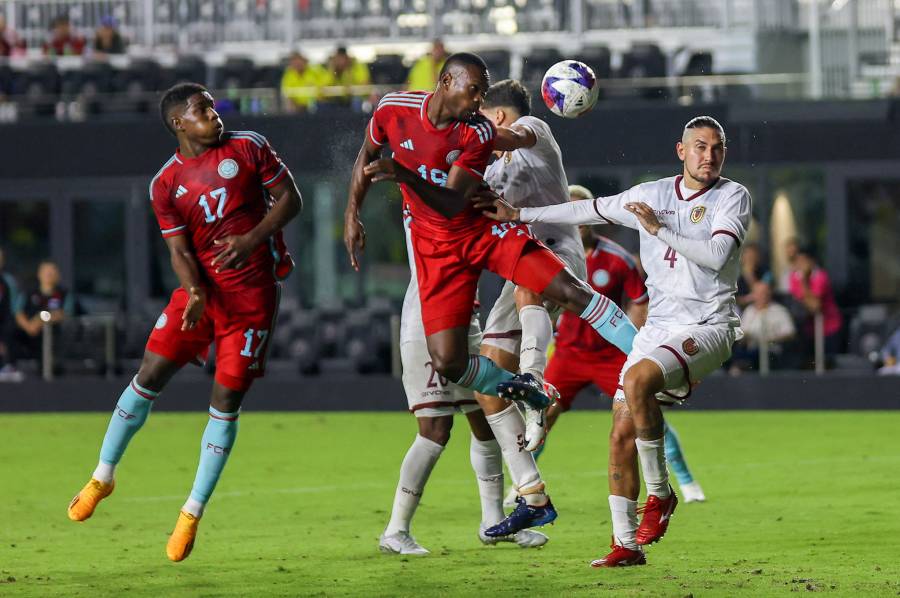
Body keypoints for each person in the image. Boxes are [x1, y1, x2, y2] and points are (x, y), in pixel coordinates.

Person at [344, 52, 638, 540]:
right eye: (472, 92)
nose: (477, 102)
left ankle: (588, 367)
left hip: (506, 235)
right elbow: (366, 155)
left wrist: (409, 174)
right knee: (462, 371)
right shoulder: (394, 109)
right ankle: (530, 486)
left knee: (558, 289)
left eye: (483, 97)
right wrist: (352, 214)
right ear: (444, 82)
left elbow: (454, 196)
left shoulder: (482, 133)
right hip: (440, 261)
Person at [480, 115, 750, 566]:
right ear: (680, 151)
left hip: (708, 323)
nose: (709, 156)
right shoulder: (651, 194)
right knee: (620, 432)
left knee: (640, 380)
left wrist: (659, 229)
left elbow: (717, 254)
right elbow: (585, 210)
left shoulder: (732, 196)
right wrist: (519, 214)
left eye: (717, 148)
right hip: (659, 329)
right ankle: (626, 545)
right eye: (700, 147)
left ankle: (661, 496)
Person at [66, 83, 302, 562]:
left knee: (225, 400)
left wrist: (254, 240)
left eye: (213, 107)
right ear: (178, 122)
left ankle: (191, 512)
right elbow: (178, 251)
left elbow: (290, 199)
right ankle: (102, 476)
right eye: (202, 110)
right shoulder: (165, 183)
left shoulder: (248, 146)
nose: (214, 115)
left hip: (252, 299)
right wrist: (194, 292)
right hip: (200, 295)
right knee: (148, 375)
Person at [379, 208, 547, 555]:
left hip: (464, 318)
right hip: (427, 321)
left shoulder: (456, 197)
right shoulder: (430, 204)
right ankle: (396, 530)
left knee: (485, 421)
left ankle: (491, 522)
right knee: (435, 430)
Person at [478, 79, 588, 453]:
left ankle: (534, 379)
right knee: (488, 384)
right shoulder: (494, 172)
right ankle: (529, 486)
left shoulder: (535, 130)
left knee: (529, 282)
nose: (477, 129)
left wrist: (464, 138)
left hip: (560, 252)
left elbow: (514, 137)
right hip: (524, 260)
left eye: (480, 121)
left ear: (498, 115)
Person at [13, 260, 75, 366]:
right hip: (28, 332)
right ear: (39, 274)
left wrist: (41, 318)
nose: (49, 275)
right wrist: (29, 327)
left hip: (53, 335)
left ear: (57, 275)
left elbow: (64, 313)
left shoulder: (63, 294)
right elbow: (18, 312)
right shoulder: (29, 292)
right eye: (46, 272)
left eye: (51, 272)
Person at [787, 248, 842, 362]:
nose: (800, 265)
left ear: (812, 262)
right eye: (798, 261)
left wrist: (804, 281)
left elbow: (815, 306)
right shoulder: (793, 277)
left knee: (829, 363)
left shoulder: (821, 276)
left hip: (829, 327)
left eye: (804, 261)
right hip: (808, 330)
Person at [731, 280, 795, 372]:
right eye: (758, 293)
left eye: (764, 293)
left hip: (771, 350)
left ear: (770, 294)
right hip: (750, 349)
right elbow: (743, 332)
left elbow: (790, 333)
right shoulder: (749, 311)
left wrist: (772, 339)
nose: (762, 296)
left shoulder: (779, 311)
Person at [0, 248, 22, 381]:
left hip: (5, 322)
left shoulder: (9, 281)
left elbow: (15, 307)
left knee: (10, 329)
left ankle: (7, 365)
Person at [735, 243, 771, 307]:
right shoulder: (736, 277)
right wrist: (746, 299)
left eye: (753, 256)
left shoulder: (766, 273)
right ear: (743, 258)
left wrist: (749, 275)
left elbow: (762, 293)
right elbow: (735, 299)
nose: (750, 259)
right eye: (748, 256)